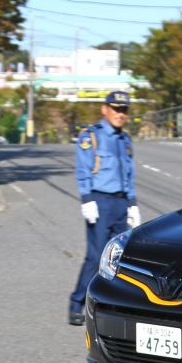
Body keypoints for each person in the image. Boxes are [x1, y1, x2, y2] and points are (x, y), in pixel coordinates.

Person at [68, 90, 139, 325]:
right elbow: (83, 169)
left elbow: (129, 175)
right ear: (105, 109)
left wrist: (132, 205)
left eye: (124, 110)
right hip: (100, 201)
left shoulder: (125, 140)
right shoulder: (92, 136)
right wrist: (87, 199)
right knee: (96, 256)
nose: (120, 114)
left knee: (117, 259)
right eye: (116, 109)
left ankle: (111, 307)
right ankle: (77, 303)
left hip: (120, 202)